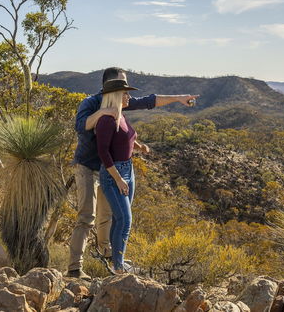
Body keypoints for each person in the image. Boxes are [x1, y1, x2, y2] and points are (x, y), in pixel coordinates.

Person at [67, 67, 198, 279]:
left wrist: (179, 98)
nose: (126, 89)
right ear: (108, 85)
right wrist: (102, 112)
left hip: (109, 170)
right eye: (121, 83)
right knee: (86, 217)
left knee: (106, 217)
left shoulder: (120, 102)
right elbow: (81, 126)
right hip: (88, 167)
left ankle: (109, 259)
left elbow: (149, 101)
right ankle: (74, 269)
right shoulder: (91, 103)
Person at [96, 79, 139, 273]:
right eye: (125, 93)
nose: (129, 96)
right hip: (115, 174)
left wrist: (139, 146)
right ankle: (118, 267)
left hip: (128, 169)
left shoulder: (120, 116)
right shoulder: (106, 120)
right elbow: (103, 152)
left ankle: (117, 262)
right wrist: (118, 179)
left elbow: (125, 139)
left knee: (119, 219)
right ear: (115, 96)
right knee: (124, 220)